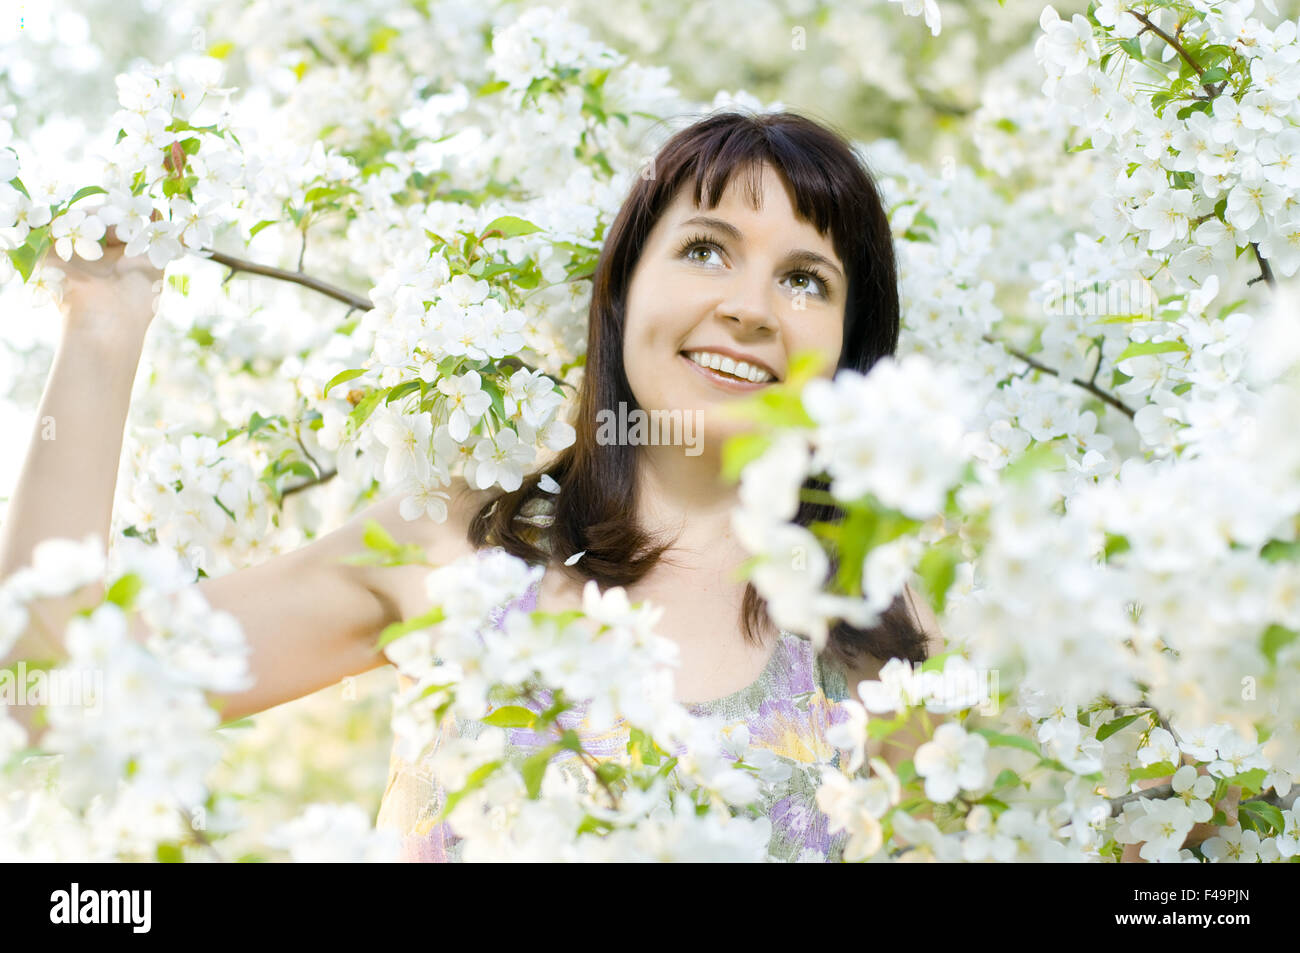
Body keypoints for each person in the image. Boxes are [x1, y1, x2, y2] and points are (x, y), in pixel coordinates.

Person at [1, 108, 945, 863]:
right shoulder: (455, 549)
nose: (747, 306)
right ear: (620, 293)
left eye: (806, 280)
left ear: (848, 355)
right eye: (704, 249)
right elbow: (51, 682)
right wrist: (105, 318)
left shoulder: (875, 622)